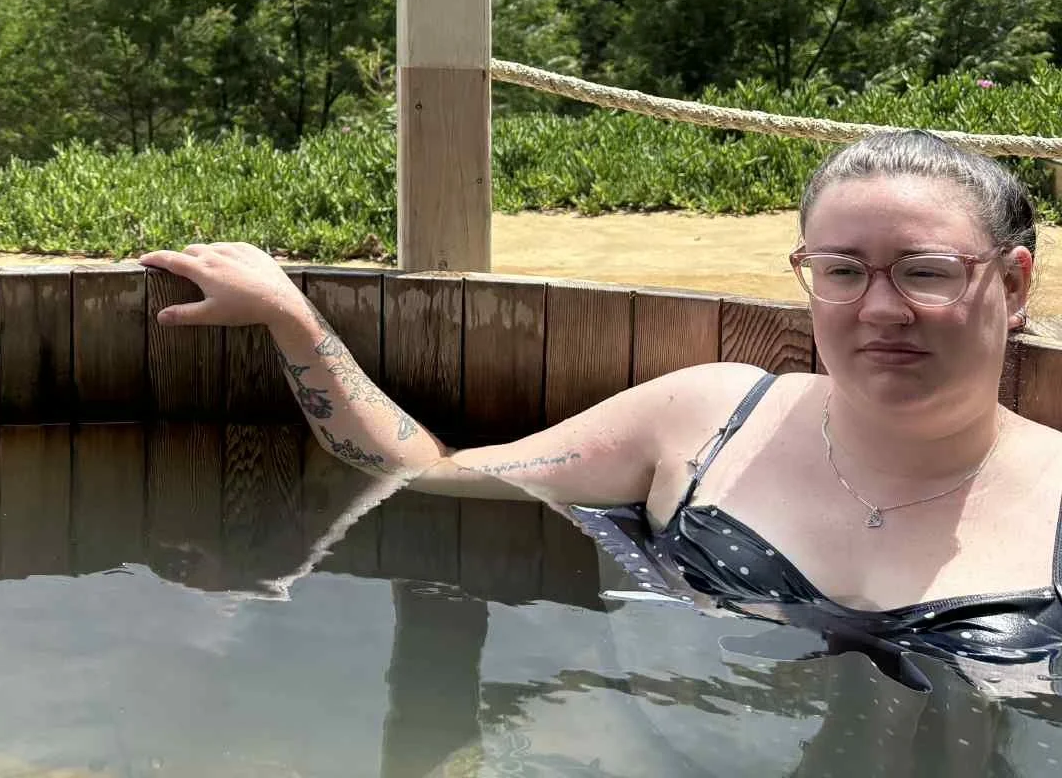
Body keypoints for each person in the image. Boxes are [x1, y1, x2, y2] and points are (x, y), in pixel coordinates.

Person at [143, 130, 1062, 687]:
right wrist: (293, 319)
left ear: (1014, 285)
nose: (881, 309)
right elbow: (421, 474)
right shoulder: (708, 422)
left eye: (927, 273)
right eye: (843, 271)